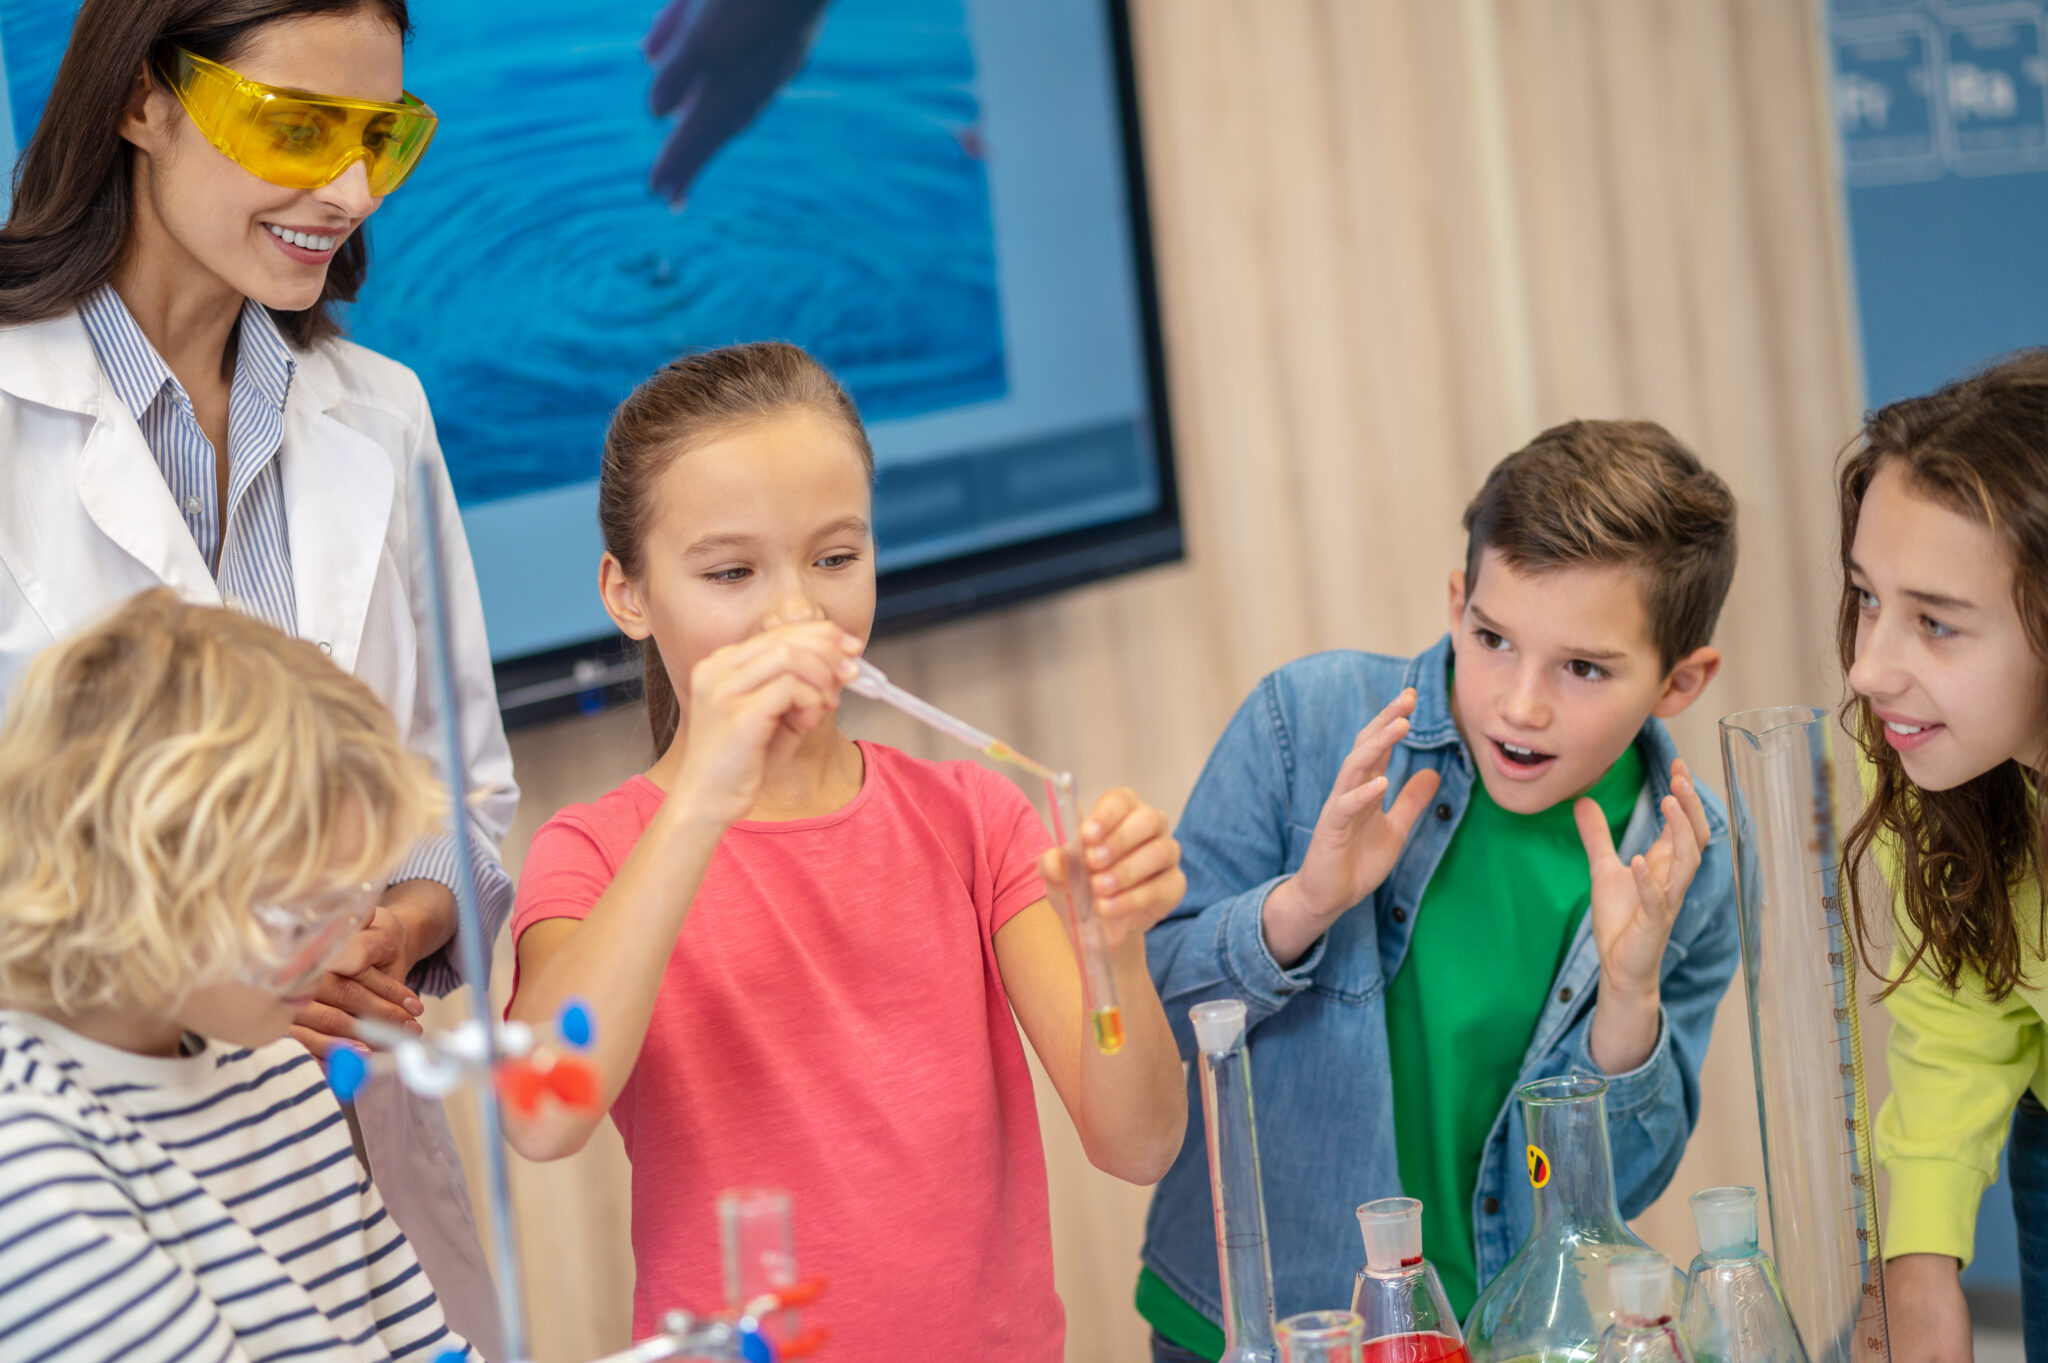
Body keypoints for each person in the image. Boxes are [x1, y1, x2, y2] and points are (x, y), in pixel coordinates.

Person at [502, 342, 1189, 1362]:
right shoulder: (593, 855)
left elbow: (1135, 1144)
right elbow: (541, 1114)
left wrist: (1118, 952)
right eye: (732, 572)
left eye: (835, 558)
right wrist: (696, 803)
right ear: (628, 592)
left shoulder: (973, 819)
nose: (797, 614)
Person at [0, 2, 515, 1348]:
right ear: (139, 99)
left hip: (336, 1141)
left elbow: (457, 792)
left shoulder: (378, 412)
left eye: (378, 139)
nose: (344, 192)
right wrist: (197, 950)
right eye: (295, 127)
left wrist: (388, 925)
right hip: (77, 1167)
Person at [1139, 420, 1744, 1358]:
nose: (1521, 703)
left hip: (1498, 1334)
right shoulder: (1304, 724)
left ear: (1680, 681)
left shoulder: (1686, 862)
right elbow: (1160, 1016)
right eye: (1494, 638)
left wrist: (1628, 1003)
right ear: (1458, 599)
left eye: (1583, 667)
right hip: (1252, 1327)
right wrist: (1300, 906)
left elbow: (1616, 1194)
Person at [0, 590, 473, 1363]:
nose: (345, 953)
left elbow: (427, 1348)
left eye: (351, 901)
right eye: (299, 913)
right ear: (138, 880)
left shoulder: (279, 1071)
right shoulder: (30, 1154)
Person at [1837, 352, 2048, 1363]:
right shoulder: (1956, 778)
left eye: (1934, 621)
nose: (1866, 667)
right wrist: (1915, 1262)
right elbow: (1963, 1003)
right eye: (1866, 599)